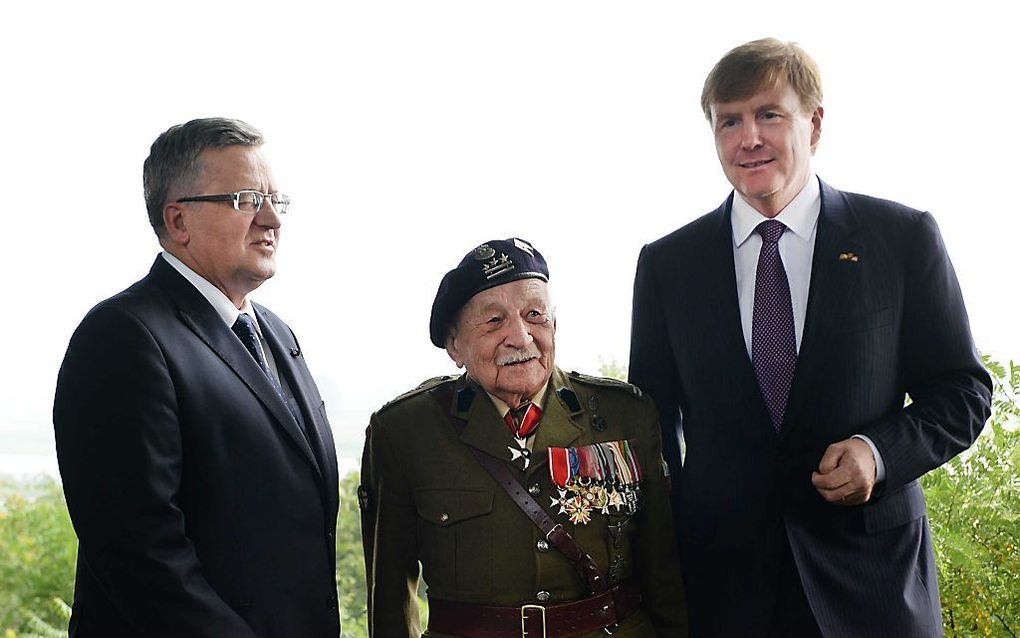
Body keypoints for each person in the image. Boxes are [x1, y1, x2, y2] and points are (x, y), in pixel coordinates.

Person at [628, 39, 992, 637]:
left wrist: (879, 454)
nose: (749, 138)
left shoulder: (901, 238)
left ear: (814, 122)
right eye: (729, 121)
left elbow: (964, 392)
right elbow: (650, 426)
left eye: (769, 114)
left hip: (872, 588)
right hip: (722, 594)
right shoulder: (668, 265)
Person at [53, 118, 340, 637]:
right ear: (178, 220)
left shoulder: (276, 333)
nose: (272, 218)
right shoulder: (123, 336)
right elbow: (139, 551)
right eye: (246, 199)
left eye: (276, 199)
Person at [360, 238, 688, 637]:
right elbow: (391, 597)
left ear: (555, 324)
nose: (520, 336)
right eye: (494, 321)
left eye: (535, 315)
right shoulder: (405, 432)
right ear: (453, 344)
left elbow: (665, 576)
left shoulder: (626, 415)